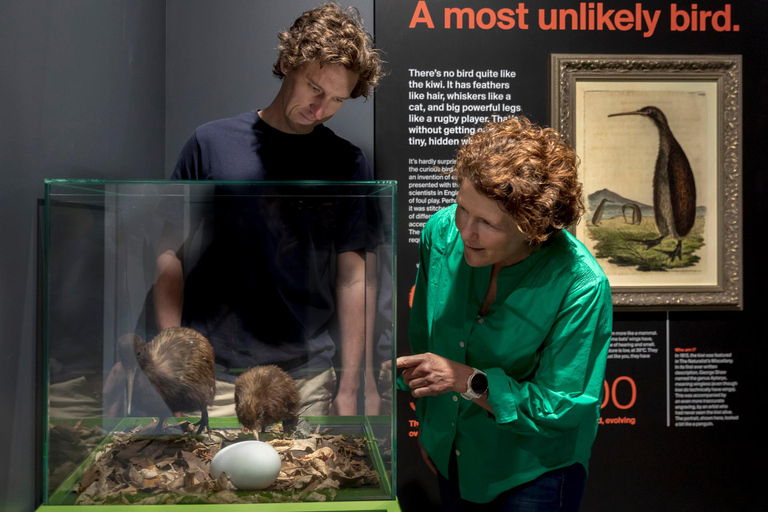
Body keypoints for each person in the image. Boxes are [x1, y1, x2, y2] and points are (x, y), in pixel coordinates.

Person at [150, 2, 383, 419]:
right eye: (315, 88)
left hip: (307, 377)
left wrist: (354, 384)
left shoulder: (346, 163)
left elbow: (355, 278)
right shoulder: (212, 144)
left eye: (337, 99)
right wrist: (174, 363)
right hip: (215, 377)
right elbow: (170, 254)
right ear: (286, 63)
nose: (321, 109)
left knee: (311, 485)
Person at [396, 116, 612, 511]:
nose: (464, 232)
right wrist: (436, 430)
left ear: (532, 227)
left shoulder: (580, 284)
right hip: (452, 453)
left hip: (531, 471)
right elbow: (425, 343)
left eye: (488, 224)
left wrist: (467, 380)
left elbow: (561, 406)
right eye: (463, 208)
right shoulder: (440, 233)